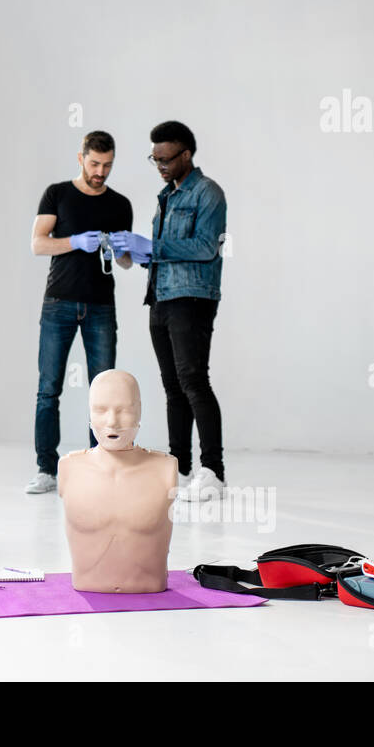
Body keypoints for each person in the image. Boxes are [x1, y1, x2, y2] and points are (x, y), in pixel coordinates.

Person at [110, 120, 227, 500]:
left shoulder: (208, 193)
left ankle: (213, 471)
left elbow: (204, 247)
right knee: (173, 387)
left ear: (186, 155)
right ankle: (180, 467)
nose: (159, 165)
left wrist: (153, 247)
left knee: (194, 381)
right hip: (160, 298)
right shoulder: (167, 197)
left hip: (192, 298)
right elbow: (162, 255)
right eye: (154, 159)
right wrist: (133, 252)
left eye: (165, 158)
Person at [27, 130, 135, 494]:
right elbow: (38, 244)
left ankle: (100, 464)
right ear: (81, 158)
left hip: (101, 306)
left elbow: (125, 263)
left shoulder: (120, 204)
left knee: (104, 392)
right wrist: (74, 241)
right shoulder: (57, 193)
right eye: (94, 164)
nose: (100, 171)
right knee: (48, 388)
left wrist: (122, 250)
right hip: (59, 302)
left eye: (107, 165)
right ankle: (46, 469)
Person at [59, 369, 176, 593]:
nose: (112, 422)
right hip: (87, 591)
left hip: (150, 592)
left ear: (139, 411)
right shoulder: (69, 467)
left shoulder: (165, 468)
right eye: (101, 410)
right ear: (89, 412)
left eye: (124, 410)